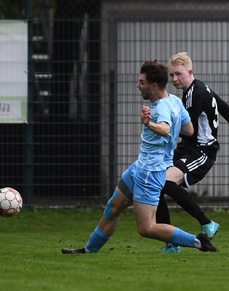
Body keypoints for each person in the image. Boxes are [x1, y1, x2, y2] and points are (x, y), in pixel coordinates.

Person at [61, 60, 218, 254]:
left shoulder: (160, 108)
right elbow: (189, 129)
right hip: (139, 168)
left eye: (141, 82)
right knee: (113, 207)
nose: (138, 85)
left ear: (153, 86)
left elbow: (165, 129)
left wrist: (149, 123)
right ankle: (89, 250)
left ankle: (199, 243)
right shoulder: (175, 101)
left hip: (150, 173)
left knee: (147, 228)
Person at [156, 52, 229, 253]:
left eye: (179, 74)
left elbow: (188, 129)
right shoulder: (199, 88)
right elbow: (223, 106)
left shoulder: (196, 93)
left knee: (165, 182)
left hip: (201, 152)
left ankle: (206, 222)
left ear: (190, 72)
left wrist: (160, 130)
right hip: (188, 149)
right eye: (172, 75)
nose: (175, 79)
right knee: (157, 184)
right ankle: (171, 242)